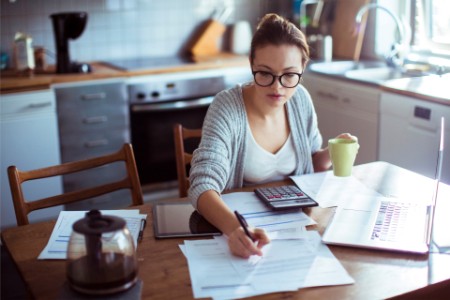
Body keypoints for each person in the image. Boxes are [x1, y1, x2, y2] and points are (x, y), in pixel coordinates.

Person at [188, 13, 356, 258]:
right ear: (252, 65)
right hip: (244, 227)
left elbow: (310, 162)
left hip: (296, 228)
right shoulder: (227, 107)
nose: (277, 87)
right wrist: (236, 230)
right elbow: (202, 185)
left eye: (289, 75)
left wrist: (331, 153)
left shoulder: (301, 100)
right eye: (265, 73)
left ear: (302, 69)